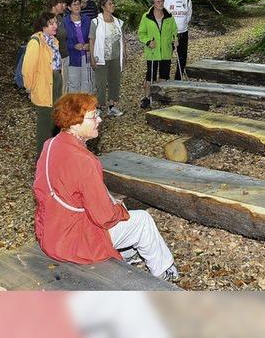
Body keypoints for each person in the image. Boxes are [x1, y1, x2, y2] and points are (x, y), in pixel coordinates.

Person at [33, 93, 179, 282]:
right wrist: (119, 210)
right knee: (142, 221)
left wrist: (110, 200)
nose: (99, 120)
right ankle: (165, 272)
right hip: (73, 242)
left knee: (116, 205)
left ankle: (127, 254)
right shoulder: (85, 161)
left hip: (50, 231)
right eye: (93, 116)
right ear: (75, 124)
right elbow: (104, 217)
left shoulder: (50, 144)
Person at [22, 12, 63, 159]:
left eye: (55, 23)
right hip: (44, 84)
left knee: (56, 119)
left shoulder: (53, 40)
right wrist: (30, 87)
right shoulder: (36, 41)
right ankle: (42, 159)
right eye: (51, 23)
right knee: (45, 122)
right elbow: (28, 68)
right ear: (43, 25)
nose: (55, 26)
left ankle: (54, 155)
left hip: (56, 80)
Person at [138, 0, 178, 109]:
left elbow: (174, 31)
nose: (161, 3)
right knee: (150, 75)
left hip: (166, 50)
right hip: (153, 51)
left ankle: (160, 95)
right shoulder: (147, 16)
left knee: (164, 74)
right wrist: (148, 42)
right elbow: (141, 33)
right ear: (153, 3)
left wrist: (175, 39)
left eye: (162, 1)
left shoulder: (169, 16)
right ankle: (146, 98)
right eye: (158, 1)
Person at [89, 0, 125, 117]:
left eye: (113, 3)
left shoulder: (118, 22)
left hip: (115, 56)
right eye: (110, 3)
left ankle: (112, 105)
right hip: (101, 56)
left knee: (114, 80)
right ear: (103, 6)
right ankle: (99, 106)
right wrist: (92, 57)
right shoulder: (96, 22)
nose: (112, 5)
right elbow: (92, 40)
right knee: (101, 82)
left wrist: (124, 52)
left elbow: (121, 38)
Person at [63, 0, 93, 93]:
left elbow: (92, 36)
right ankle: (74, 107)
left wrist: (89, 45)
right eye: (74, 4)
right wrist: (73, 45)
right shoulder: (65, 22)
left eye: (78, 4)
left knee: (86, 82)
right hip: (72, 57)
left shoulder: (87, 20)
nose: (77, 6)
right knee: (73, 83)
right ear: (69, 7)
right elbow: (62, 40)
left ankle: (84, 107)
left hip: (86, 56)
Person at [164, 0, 192, 80]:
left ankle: (178, 79)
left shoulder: (187, 1)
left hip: (183, 33)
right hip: (168, 34)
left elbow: (188, 16)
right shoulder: (165, 0)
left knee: (182, 58)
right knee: (166, 57)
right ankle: (164, 78)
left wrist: (181, 26)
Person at [47, 0, 69, 94]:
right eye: (62, 3)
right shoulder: (45, 19)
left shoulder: (60, 18)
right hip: (51, 60)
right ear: (54, 4)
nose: (64, 6)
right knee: (54, 88)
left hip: (63, 56)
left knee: (63, 86)